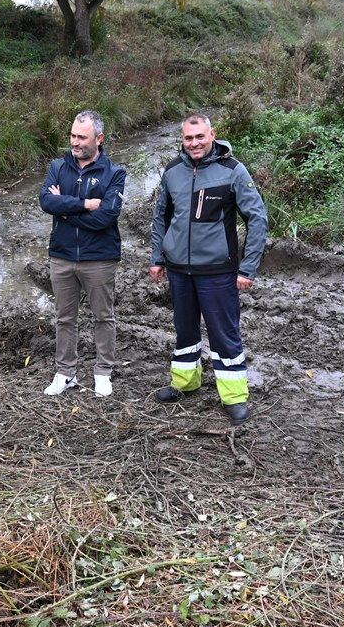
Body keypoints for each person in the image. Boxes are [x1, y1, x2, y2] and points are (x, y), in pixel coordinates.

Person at [149, 113, 268, 424]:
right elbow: (161, 217)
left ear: (212, 134)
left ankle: (234, 396)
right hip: (179, 270)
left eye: (200, 136)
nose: (194, 143)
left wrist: (248, 268)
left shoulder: (233, 170)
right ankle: (185, 383)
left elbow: (257, 219)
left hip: (217, 271)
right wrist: (157, 258)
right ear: (182, 139)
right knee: (184, 330)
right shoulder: (173, 170)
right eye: (188, 138)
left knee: (224, 333)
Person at [38, 110, 127, 397]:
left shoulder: (114, 173)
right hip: (62, 256)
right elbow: (45, 201)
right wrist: (85, 204)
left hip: (99, 257)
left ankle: (103, 373)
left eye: (82, 138)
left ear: (99, 139)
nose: (75, 142)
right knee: (65, 318)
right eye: (73, 136)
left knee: (103, 316)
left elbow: (106, 217)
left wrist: (64, 210)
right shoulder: (57, 166)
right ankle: (65, 373)